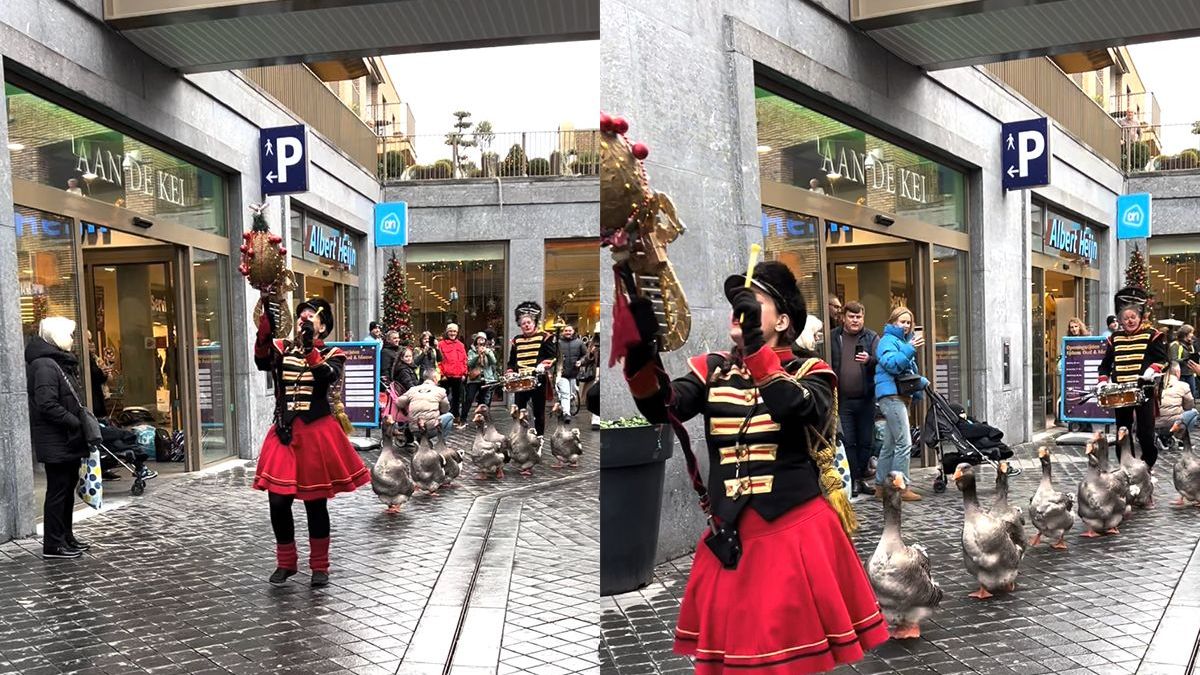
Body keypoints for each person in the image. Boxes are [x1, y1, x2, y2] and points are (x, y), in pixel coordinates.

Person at [619, 261, 887, 672]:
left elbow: (795, 407)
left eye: (752, 303)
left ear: (782, 320)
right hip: (731, 535)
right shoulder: (711, 368)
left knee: (789, 659)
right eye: (736, 304)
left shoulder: (812, 371)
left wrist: (756, 350)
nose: (738, 310)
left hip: (794, 531)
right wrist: (640, 348)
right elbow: (663, 406)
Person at [252, 297, 370, 587]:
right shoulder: (282, 349)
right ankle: (286, 562)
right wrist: (264, 331)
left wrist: (310, 351)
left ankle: (320, 566)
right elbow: (260, 361)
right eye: (300, 315)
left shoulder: (334, 353)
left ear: (323, 324)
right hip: (284, 432)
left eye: (310, 315)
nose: (303, 318)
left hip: (317, 433)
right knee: (278, 501)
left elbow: (326, 379)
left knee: (315, 504)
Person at [26, 317, 94, 559]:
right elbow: (47, 403)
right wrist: (74, 422)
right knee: (58, 491)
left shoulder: (56, 362)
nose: (74, 340)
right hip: (58, 438)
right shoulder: (44, 365)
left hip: (67, 438)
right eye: (71, 334)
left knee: (66, 491)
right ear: (58, 336)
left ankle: (66, 537)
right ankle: (54, 543)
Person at [1097, 287, 1168, 468]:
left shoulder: (1152, 335)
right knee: (1123, 431)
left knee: (1145, 433)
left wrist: (1152, 370)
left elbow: (1163, 360)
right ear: (1120, 319)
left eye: (1133, 317)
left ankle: (1147, 466)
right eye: (1126, 318)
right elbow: (1105, 365)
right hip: (1121, 392)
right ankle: (1126, 467)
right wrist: (1103, 381)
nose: (1129, 321)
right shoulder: (1115, 338)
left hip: (1144, 390)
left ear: (1140, 317)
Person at [874, 306, 927, 501]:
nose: (905, 325)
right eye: (902, 321)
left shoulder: (899, 341)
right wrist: (910, 348)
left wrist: (920, 382)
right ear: (893, 322)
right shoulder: (888, 341)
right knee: (904, 443)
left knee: (889, 445)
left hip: (896, 396)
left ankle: (880, 486)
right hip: (892, 397)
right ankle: (900, 487)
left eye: (908, 322)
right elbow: (892, 364)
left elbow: (905, 373)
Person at [830, 301, 880, 497]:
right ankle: (854, 480)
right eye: (851, 316)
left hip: (866, 398)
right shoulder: (834, 337)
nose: (855, 320)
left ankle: (860, 479)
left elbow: (880, 360)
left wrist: (869, 360)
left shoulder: (871, 337)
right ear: (844, 317)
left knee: (865, 441)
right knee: (849, 441)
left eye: (859, 317)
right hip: (843, 399)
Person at [506, 302, 556, 435]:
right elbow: (511, 362)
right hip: (521, 380)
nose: (526, 325)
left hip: (538, 379)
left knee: (539, 411)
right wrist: (510, 372)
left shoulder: (545, 337)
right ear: (520, 326)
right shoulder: (516, 340)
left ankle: (539, 437)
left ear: (534, 323)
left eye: (529, 322)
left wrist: (543, 365)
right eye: (524, 323)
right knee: (519, 409)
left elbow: (553, 356)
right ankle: (521, 435)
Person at [397, 371, 454, 442]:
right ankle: (441, 443)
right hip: (430, 430)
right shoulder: (440, 391)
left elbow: (399, 403)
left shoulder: (413, 389)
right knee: (450, 416)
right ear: (435, 378)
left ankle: (421, 442)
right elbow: (445, 409)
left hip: (414, 430)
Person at [438, 323, 468, 428]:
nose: (452, 333)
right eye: (450, 331)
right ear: (447, 332)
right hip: (446, 376)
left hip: (458, 375)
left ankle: (456, 417)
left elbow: (464, 359)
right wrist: (442, 374)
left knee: (457, 398)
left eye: (454, 331)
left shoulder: (460, 345)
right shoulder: (441, 344)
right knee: (444, 398)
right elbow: (439, 361)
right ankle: (442, 418)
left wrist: (464, 372)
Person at [555, 324, 585, 423]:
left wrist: (581, 361)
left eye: (569, 330)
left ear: (573, 331)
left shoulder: (579, 343)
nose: (568, 332)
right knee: (565, 393)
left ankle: (571, 404)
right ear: (563, 332)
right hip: (562, 373)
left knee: (572, 394)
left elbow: (585, 355)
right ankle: (566, 413)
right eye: (566, 330)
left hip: (574, 374)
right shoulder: (558, 343)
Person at [1162, 363, 1198, 439]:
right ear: (1177, 372)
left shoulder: (1156, 384)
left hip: (1154, 423)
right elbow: (1189, 406)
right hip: (1173, 423)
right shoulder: (1183, 385)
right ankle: (1181, 439)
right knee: (1194, 412)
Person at [466, 332, 499, 412]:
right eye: (479, 338)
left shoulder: (489, 350)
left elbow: (493, 362)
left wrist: (487, 353)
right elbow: (469, 364)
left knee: (484, 401)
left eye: (483, 338)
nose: (481, 340)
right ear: (476, 340)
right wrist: (478, 355)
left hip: (487, 378)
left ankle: (482, 418)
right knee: (469, 398)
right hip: (475, 379)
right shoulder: (471, 351)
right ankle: (463, 419)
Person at [1169, 324, 1199, 399]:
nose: (1192, 335)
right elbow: (1173, 360)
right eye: (1191, 333)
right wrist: (1185, 359)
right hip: (1180, 374)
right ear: (1185, 334)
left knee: (1192, 396)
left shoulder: (1191, 345)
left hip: (1190, 373)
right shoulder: (1175, 345)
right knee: (1181, 396)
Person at [577, 335, 599, 424]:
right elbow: (588, 358)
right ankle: (596, 418)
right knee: (594, 395)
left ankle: (597, 418)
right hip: (595, 373)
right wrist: (591, 354)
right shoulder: (594, 343)